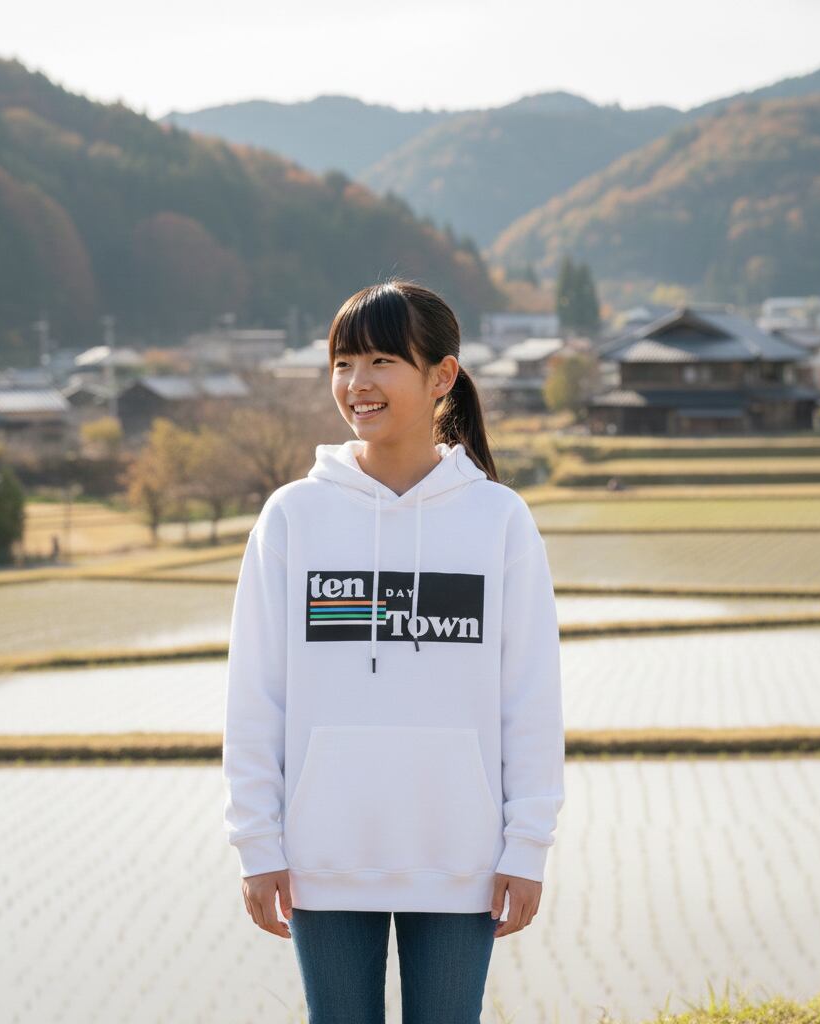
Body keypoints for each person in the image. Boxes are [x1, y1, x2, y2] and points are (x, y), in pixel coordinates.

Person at [222, 278, 565, 1024]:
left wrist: (527, 845)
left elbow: (530, 698)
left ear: (442, 375)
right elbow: (255, 694)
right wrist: (257, 842)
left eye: (381, 360)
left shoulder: (498, 519)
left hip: (460, 856)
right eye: (343, 363)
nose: (357, 383)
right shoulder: (294, 516)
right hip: (322, 855)